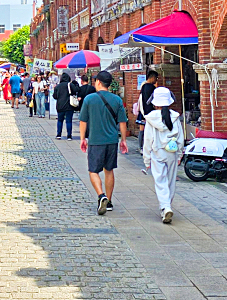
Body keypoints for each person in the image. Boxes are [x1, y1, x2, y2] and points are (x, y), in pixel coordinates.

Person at [79, 71, 128, 215]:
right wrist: (123, 140)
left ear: (99, 82)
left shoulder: (89, 99)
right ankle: (110, 201)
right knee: (109, 170)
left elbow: (83, 121)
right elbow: (122, 122)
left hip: (96, 140)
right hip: (112, 140)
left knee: (93, 170)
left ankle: (101, 196)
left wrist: (82, 138)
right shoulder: (117, 100)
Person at [143, 87, 183, 224]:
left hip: (157, 152)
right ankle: (167, 206)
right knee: (171, 181)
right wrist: (179, 155)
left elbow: (147, 140)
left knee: (160, 181)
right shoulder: (175, 116)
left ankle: (165, 207)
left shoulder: (151, 118)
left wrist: (146, 160)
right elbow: (180, 138)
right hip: (171, 152)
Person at [138, 69, 159, 150]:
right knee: (149, 131)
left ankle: (140, 147)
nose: (156, 80)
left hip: (142, 111)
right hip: (149, 112)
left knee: (142, 130)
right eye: (156, 78)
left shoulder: (143, 86)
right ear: (152, 77)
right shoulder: (151, 87)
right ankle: (147, 147)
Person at [54, 73, 75, 139]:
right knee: (69, 121)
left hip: (60, 106)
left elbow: (55, 96)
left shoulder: (57, 86)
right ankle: (69, 136)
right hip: (69, 106)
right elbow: (75, 91)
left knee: (60, 120)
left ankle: (59, 134)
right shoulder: (70, 85)